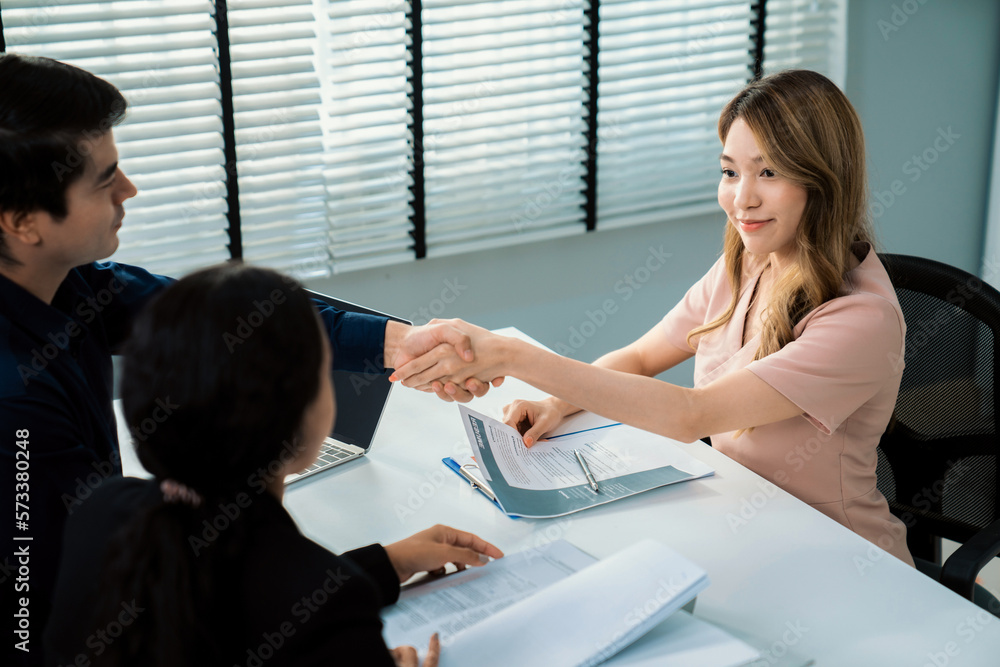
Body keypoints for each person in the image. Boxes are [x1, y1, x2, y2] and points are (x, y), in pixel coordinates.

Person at [0, 52, 493, 664]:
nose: (130, 189)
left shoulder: (73, 285)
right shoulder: (17, 410)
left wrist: (398, 343)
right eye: (105, 180)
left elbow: (239, 316)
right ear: (23, 221)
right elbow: (89, 622)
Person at [391, 69, 915, 567]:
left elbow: (692, 415)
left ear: (823, 180)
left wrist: (509, 355)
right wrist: (557, 403)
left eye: (769, 171)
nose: (741, 198)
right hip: (746, 519)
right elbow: (642, 357)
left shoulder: (861, 321)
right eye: (729, 171)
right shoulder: (752, 262)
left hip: (839, 557)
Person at [43, 263, 502, 666]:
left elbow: (226, 608)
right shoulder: (328, 609)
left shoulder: (99, 513)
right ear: (302, 423)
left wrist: (381, 565)